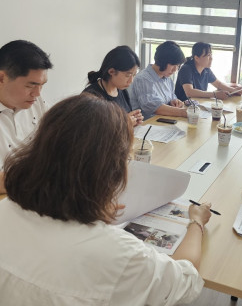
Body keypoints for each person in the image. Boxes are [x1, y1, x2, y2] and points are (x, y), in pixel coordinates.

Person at [0, 94, 212, 305]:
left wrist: (92, 210)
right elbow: (186, 281)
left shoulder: (6, 209)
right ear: (111, 168)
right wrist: (196, 221)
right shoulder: (120, 254)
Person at [0, 39, 52, 194]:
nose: (37, 94)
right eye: (30, 85)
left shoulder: (36, 102)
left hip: (36, 192)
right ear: (2, 78)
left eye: (42, 85)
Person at [83, 45, 143, 126]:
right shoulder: (91, 96)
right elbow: (92, 130)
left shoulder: (122, 91)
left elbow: (125, 120)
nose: (131, 81)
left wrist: (134, 120)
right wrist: (125, 123)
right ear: (111, 71)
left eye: (134, 75)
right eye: (128, 75)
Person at [129, 41, 187, 120]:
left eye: (178, 65)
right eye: (173, 65)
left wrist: (175, 101)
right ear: (162, 61)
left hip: (165, 121)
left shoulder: (168, 79)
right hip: (147, 124)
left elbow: (172, 97)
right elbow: (154, 108)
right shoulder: (143, 79)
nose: (175, 70)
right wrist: (182, 112)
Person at [175, 42, 242, 101]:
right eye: (208, 55)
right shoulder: (186, 69)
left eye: (211, 54)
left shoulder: (206, 69)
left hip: (199, 103)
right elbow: (189, 92)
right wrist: (214, 94)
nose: (211, 58)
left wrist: (233, 90)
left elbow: (218, 84)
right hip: (184, 106)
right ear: (196, 58)